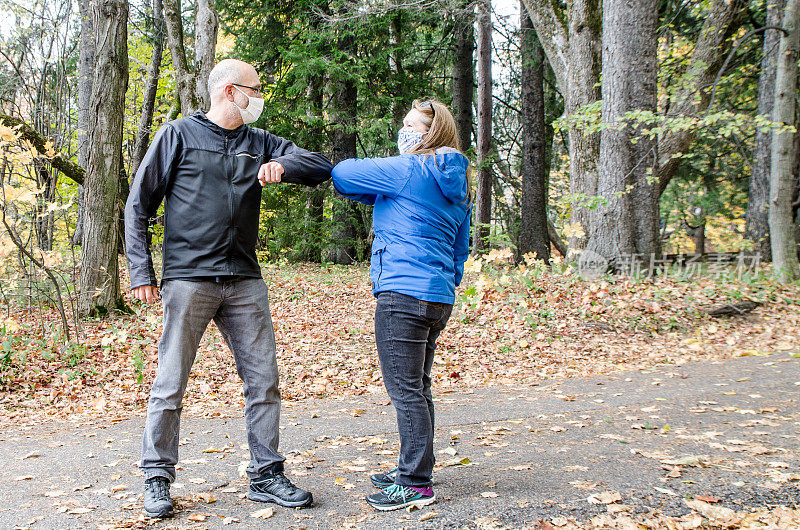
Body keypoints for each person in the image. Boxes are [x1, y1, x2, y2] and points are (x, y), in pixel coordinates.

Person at [124, 59, 332, 519]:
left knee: (263, 379)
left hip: (244, 280)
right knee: (170, 382)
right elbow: (138, 205)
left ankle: (266, 474)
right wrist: (141, 271)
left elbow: (319, 165)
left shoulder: (259, 142)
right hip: (188, 278)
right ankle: (157, 479)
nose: (260, 98)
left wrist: (283, 165)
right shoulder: (178, 135)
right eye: (255, 90)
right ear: (230, 92)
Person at [333, 99, 471, 510]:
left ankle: (414, 482)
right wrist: (444, 284)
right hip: (437, 296)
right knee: (420, 388)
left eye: (412, 126)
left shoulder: (410, 169)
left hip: (402, 293)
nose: (405, 131)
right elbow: (460, 250)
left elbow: (342, 172)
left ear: (431, 134)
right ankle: (415, 467)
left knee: (406, 391)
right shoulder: (458, 184)